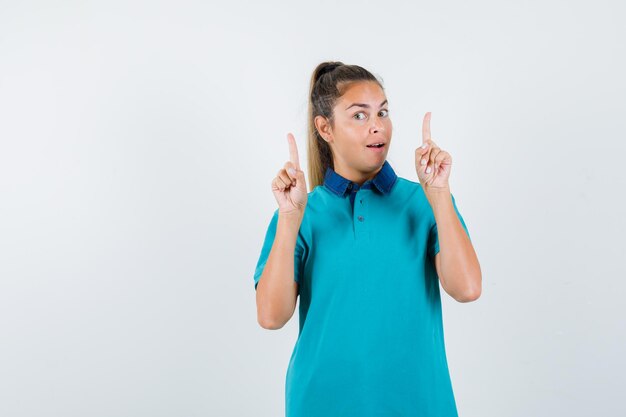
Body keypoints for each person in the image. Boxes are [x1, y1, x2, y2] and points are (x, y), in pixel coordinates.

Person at [252, 61, 482, 417]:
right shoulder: (301, 212)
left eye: (383, 112)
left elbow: (467, 288)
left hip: (419, 402)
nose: (378, 126)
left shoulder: (423, 201)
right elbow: (271, 316)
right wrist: (288, 218)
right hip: (321, 404)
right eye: (360, 115)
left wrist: (439, 193)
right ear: (325, 128)